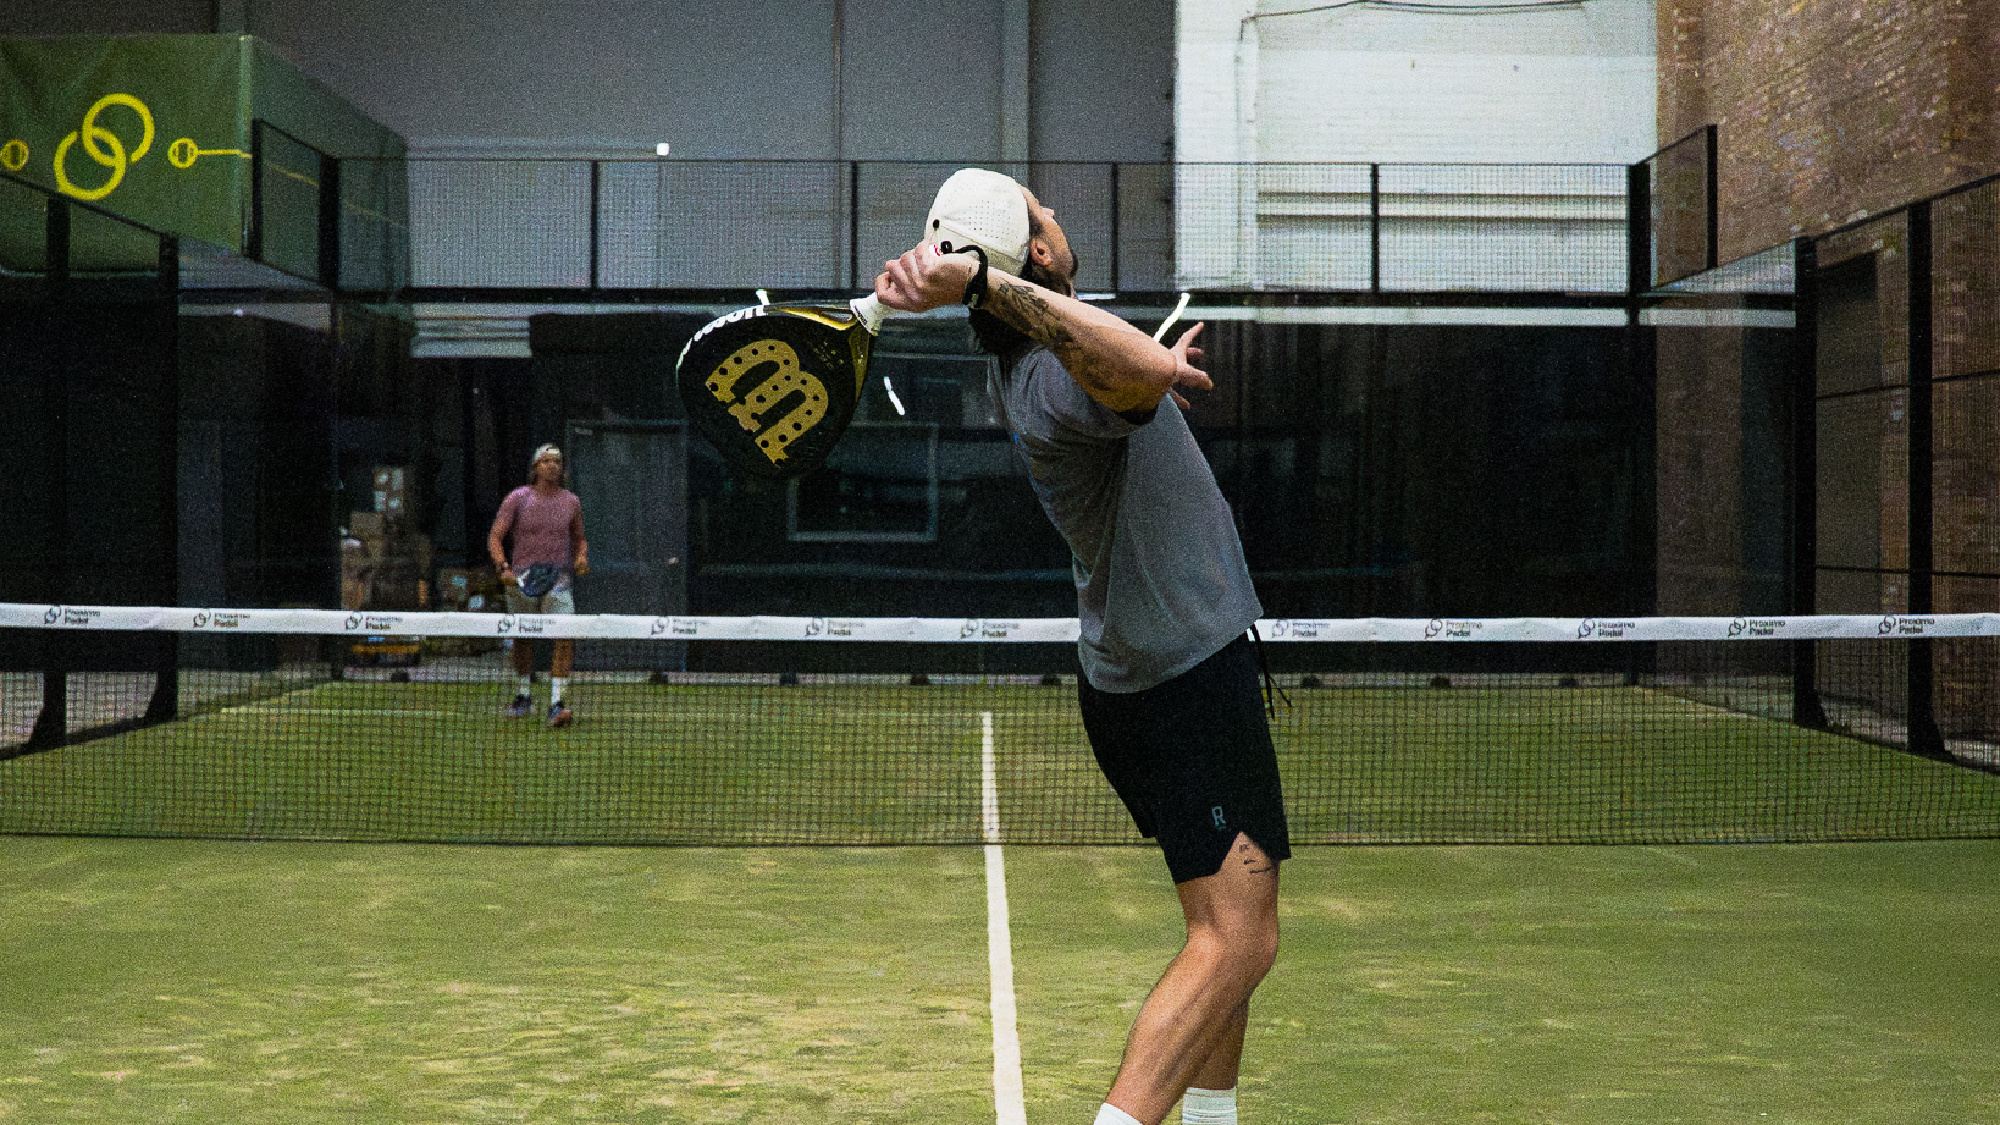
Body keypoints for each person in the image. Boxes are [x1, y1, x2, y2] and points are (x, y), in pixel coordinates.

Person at [875, 168, 1288, 1125]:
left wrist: (1149, 367)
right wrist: (984, 285)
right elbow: (1116, 366)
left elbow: (1125, 366)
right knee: (1238, 940)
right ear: (1044, 254)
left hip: (1167, 669)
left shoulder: (1051, 359)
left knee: (1232, 927)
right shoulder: (1054, 373)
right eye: (1043, 211)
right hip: (1177, 680)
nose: (1057, 213)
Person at [487, 443, 590, 728]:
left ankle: (557, 704)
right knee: (522, 637)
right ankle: (523, 696)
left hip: (558, 581)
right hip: (521, 580)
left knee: (565, 636)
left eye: (556, 462)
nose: (552, 466)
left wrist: (581, 557)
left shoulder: (571, 502)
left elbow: (580, 538)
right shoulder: (518, 498)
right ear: (535, 468)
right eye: (545, 461)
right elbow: (495, 537)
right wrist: (503, 567)